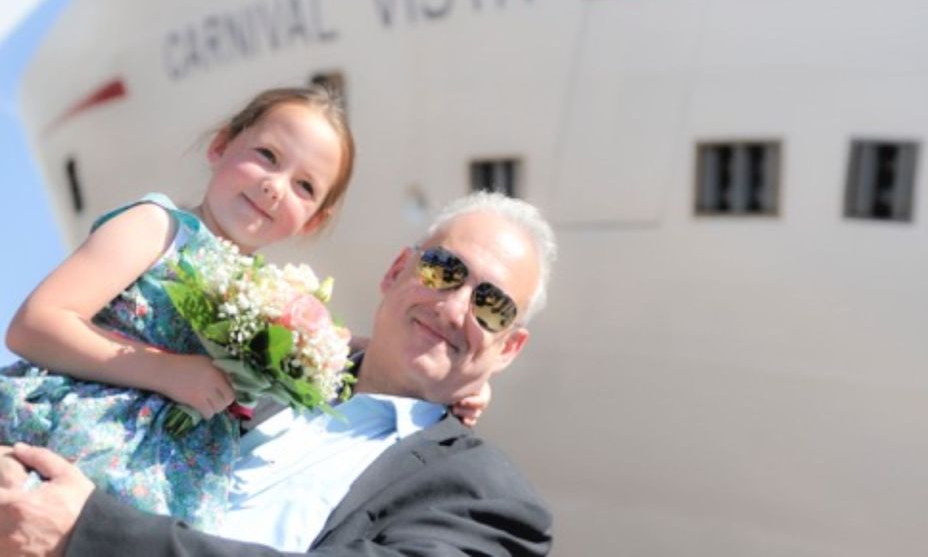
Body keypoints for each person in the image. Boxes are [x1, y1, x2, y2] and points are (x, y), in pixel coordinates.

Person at [0, 190, 557, 557]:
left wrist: (89, 533)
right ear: (396, 271)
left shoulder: (487, 497)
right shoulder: (238, 365)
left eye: (492, 307)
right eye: (443, 271)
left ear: (509, 349)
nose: (455, 309)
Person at [0, 85, 357, 531]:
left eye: (305, 186)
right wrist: (166, 371)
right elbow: (35, 324)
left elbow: (342, 357)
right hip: (62, 449)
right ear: (220, 145)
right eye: (267, 155)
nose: (275, 187)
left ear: (315, 219)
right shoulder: (159, 227)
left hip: (155, 502)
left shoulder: (271, 302)